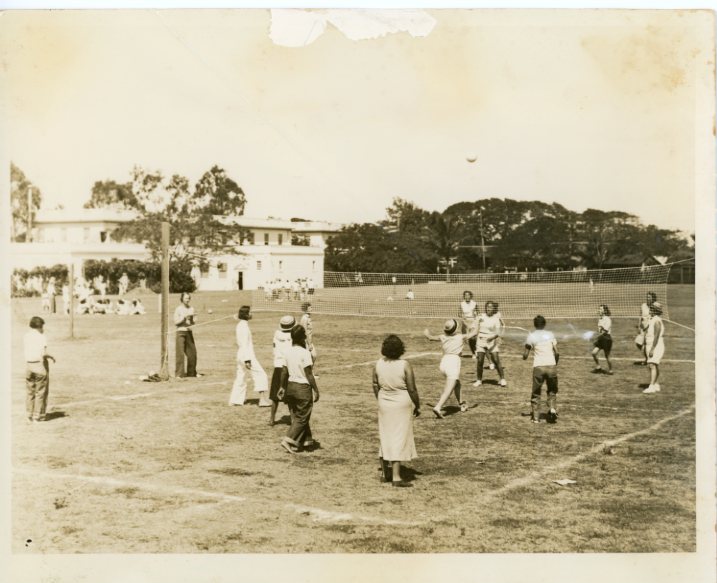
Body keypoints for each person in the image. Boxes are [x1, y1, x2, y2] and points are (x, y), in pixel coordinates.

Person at [372, 334, 420, 487]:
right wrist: (417, 404)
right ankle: (396, 477)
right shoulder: (405, 365)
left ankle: (385, 473)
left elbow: (375, 384)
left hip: (384, 403)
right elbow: (412, 389)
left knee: (385, 435)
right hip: (401, 404)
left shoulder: (378, 363)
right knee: (398, 437)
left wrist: (380, 398)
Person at [278, 325, 320, 453]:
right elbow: (309, 374)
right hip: (302, 388)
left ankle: (306, 441)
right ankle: (288, 439)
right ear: (302, 338)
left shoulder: (287, 352)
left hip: (291, 386)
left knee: (298, 415)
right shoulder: (305, 353)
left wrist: (282, 387)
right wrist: (316, 390)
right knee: (302, 416)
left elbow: (284, 372)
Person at [424, 319, 477, 418]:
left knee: (457, 383)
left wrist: (426, 333)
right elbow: (475, 332)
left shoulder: (442, 336)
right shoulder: (460, 337)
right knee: (448, 389)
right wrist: (478, 322)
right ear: (456, 329)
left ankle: (462, 404)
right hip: (453, 363)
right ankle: (438, 407)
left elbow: (430, 337)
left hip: (444, 363)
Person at [229, 305, 269, 406]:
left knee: (241, 377)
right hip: (246, 355)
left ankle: (235, 400)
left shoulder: (241, 324)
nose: (252, 314)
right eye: (250, 312)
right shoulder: (243, 326)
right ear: (246, 314)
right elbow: (244, 344)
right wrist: (247, 359)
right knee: (261, 374)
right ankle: (262, 400)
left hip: (241, 355)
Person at [522, 315, 560, 424]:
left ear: (534, 325)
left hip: (539, 367)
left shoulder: (531, 336)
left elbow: (525, 355)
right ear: (544, 324)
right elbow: (557, 353)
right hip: (551, 366)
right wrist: (554, 364)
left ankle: (536, 418)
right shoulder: (550, 334)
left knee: (536, 392)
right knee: (552, 390)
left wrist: (523, 356)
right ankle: (552, 408)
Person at [24, 316, 55, 423]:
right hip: (39, 365)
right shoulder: (42, 337)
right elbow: (44, 353)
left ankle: (29, 414)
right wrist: (52, 356)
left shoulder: (26, 336)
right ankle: (37, 416)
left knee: (30, 392)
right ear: (40, 326)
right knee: (40, 392)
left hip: (28, 366)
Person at [473, 301, 507, 387]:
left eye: (491, 307)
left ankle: (502, 379)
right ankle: (479, 380)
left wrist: (491, 338)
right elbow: (475, 328)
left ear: (493, 309)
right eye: (487, 307)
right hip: (481, 340)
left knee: (496, 360)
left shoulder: (496, 319)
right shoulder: (481, 316)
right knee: (480, 361)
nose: (489, 308)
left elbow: (498, 333)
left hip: (491, 340)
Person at [269, 315, 295, 425]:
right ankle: (293, 419)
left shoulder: (276, 334)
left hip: (278, 366)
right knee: (290, 394)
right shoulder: (293, 335)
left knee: (275, 395)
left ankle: (272, 419)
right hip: (289, 366)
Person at [174, 292, 200, 378]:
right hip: (180, 332)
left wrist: (192, 319)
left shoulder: (192, 309)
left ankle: (191, 373)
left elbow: (193, 322)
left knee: (192, 353)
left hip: (189, 332)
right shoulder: (178, 309)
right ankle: (179, 374)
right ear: (182, 299)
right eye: (186, 298)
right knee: (180, 354)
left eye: (188, 298)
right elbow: (176, 322)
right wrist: (183, 318)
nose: (187, 300)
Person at [642, 302, 665, 394]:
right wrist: (644, 320)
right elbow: (644, 328)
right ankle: (656, 384)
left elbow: (656, 336)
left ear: (655, 310)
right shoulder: (651, 319)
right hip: (649, 344)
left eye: (651, 309)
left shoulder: (657, 321)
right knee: (653, 365)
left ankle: (651, 386)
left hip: (656, 345)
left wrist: (652, 348)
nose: (650, 310)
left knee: (652, 365)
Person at [635, 291, 657, 365]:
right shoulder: (643, 305)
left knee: (647, 344)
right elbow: (640, 316)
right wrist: (639, 326)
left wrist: (648, 327)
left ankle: (648, 360)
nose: (648, 298)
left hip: (650, 329)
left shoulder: (654, 307)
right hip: (642, 328)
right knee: (638, 342)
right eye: (647, 297)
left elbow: (655, 319)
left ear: (653, 298)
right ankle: (647, 358)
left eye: (649, 297)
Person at [591, 304, 613, 374]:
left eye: (601, 309)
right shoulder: (600, 319)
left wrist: (596, 337)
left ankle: (611, 370)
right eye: (599, 309)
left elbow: (605, 331)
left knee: (607, 356)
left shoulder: (607, 319)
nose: (599, 310)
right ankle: (598, 367)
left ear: (604, 311)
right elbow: (600, 331)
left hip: (606, 339)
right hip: (601, 338)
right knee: (594, 353)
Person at [300, 302, 317, 374]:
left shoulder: (308, 317)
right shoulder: (304, 318)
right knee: (312, 356)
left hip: (309, 341)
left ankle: (309, 372)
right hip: (306, 341)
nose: (312, 309)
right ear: (306, 309)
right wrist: (309, 343)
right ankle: (307, 373)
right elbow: (304, 331)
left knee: (313, 356)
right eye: (310, 308)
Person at [459, 291, 478, 357]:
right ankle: (459, 352)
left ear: (471, 296)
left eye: (468, 295)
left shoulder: (474, 303)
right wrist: (462, 316)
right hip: (465, 322)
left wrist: (475, 314)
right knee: (464, 338)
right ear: (464, 296)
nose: (467, 296)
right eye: (465, 295)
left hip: (472, 322)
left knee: (472, 338)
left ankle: (474, 353)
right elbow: (459, 313)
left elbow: (478, 313)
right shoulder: (462, 304)